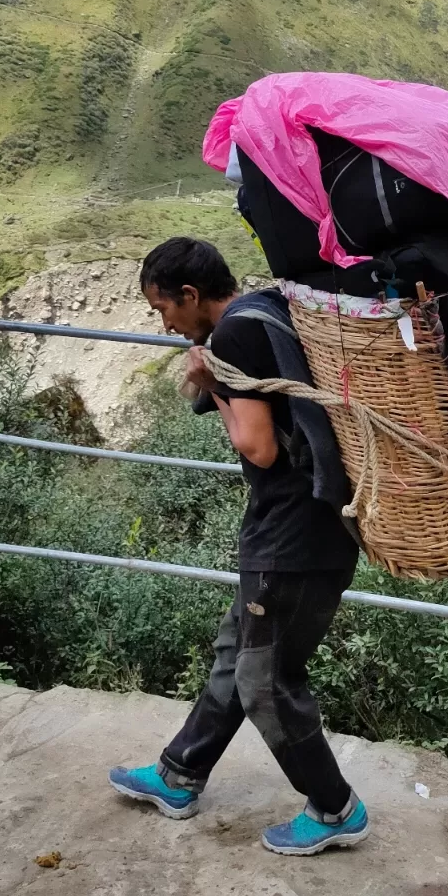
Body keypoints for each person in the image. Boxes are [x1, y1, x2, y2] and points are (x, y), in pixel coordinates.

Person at [108, 237, 368, 855]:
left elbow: (260, 447)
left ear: (191, 295)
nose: (165, 323)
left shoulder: (233, 337)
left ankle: (335, 808)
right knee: (237, 652)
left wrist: (212, 379)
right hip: (309, 524)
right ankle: (179, 774)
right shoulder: (266, 309)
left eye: (163, 309)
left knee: (264, 678)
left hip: (294, 534)